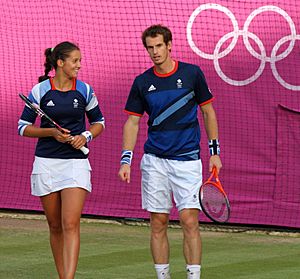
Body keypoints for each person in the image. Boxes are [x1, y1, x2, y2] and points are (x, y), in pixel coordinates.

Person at [118, 25, 222, 279]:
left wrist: (214, 151)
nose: (155, 52)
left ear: (169, 45)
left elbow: (208, 112)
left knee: (189, 222)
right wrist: (126, 159)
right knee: (158, 223)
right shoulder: (142, 82)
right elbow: (132, 122)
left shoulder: (192, 74)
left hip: (187, 161)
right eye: (150, 48)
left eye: (159, 46)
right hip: (155, 162)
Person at [18, 41, 105, 279]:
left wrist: (85, 136)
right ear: (60, 63)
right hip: (46, 163)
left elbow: (99, 122)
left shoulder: (85, 90)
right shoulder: (40, 91)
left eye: (79, 61)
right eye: (75, 61)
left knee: (70, 224)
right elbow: (23, 128)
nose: (79, 65)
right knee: (55, 226)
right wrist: (51, 133)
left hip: (75, 164)